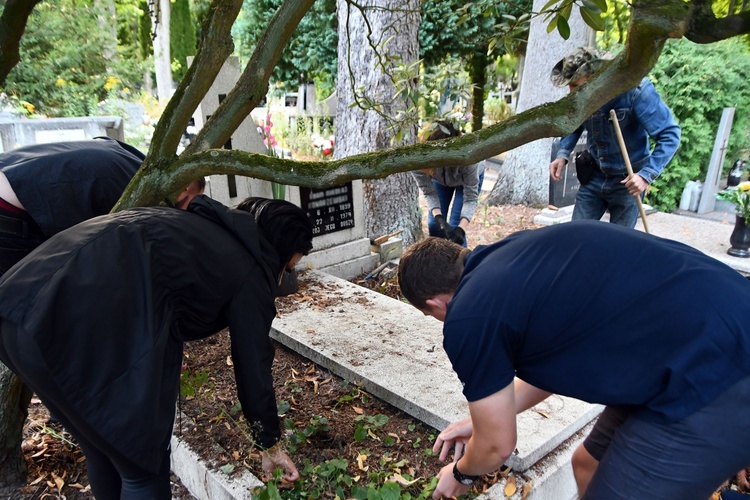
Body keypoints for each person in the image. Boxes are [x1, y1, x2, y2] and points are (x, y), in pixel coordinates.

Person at [397, 221, 750, 499]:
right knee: (587, 464)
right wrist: (486, 418)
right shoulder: (512, 257)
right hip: (691, 339)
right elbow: (552, 358)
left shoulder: (468, 314)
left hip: (716, 372)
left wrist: (460, 474)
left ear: (434, 305)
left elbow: (496, 446)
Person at [0, 195, 313, 498]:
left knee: (102, 450)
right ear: (280, 250)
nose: (283, 276)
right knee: (142, 469)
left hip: (15, 311)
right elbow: (252, 362)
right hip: (66, 325)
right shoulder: (250, 269)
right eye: (287, 268)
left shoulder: (198, 229)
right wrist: (269, 443)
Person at [548, 47, 681, 228]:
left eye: (577, 86)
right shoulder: (581, 95)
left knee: (619, 244)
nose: (572, 93)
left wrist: (645, 176)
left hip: (628, 181)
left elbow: (670, 135)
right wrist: (563, 153)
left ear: (598, 77)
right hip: (594, 175)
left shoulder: (636, 91)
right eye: (569, 86)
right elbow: (575, 123)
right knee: (576, 235)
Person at [0, 137, 146, 274]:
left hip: (13, 178)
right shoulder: (139, 194)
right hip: (11, 212)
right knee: (24, 294)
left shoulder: (123, 153)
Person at [412, 121, 483, 247]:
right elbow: (429, 192)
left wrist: (461, 229)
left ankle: (461, 264)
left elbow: (470, 198)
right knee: (434, 225)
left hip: (465, 178)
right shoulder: (417, 160)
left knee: (455, 227)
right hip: (441, 181)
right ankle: (436, 260)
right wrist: (439, 219)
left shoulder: (470, 158)